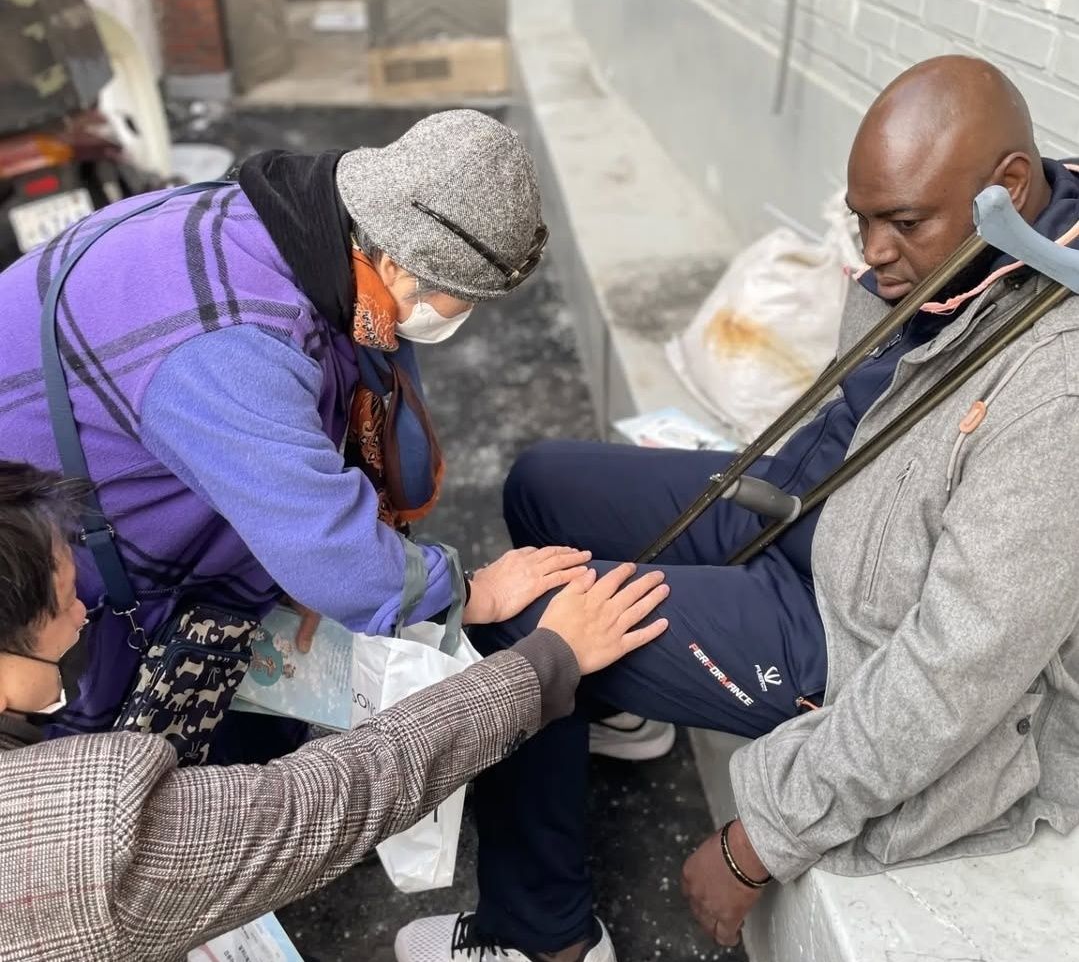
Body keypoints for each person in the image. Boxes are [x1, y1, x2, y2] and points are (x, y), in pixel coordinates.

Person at [395, 55, 1079, 962]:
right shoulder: (968, 251)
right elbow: (860, 414)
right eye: (862, 219)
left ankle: (541, 936)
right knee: (543, 483)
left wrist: (759, 841)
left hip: (854, 627)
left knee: (529, 623)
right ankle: (620, 709)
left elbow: (959, 669)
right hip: (820, 508)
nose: (873, 250)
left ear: (1009, 186)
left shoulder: (1056, 392)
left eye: (902, 223)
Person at [0, 109, 634, 761]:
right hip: (40, 566)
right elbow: (335, 557)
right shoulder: (231, 345)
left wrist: (283, 565)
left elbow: (281, 481)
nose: (462, 314)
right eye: (462, 299)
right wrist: (473, 593)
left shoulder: (281, 221)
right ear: (396, 264)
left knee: (235, 699)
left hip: (97, 489)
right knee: (136, 772)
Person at [0, 458, 670, 960]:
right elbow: (333, 797)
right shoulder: (70, 841)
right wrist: (549, 662)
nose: (84, 610)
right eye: (64, 602)